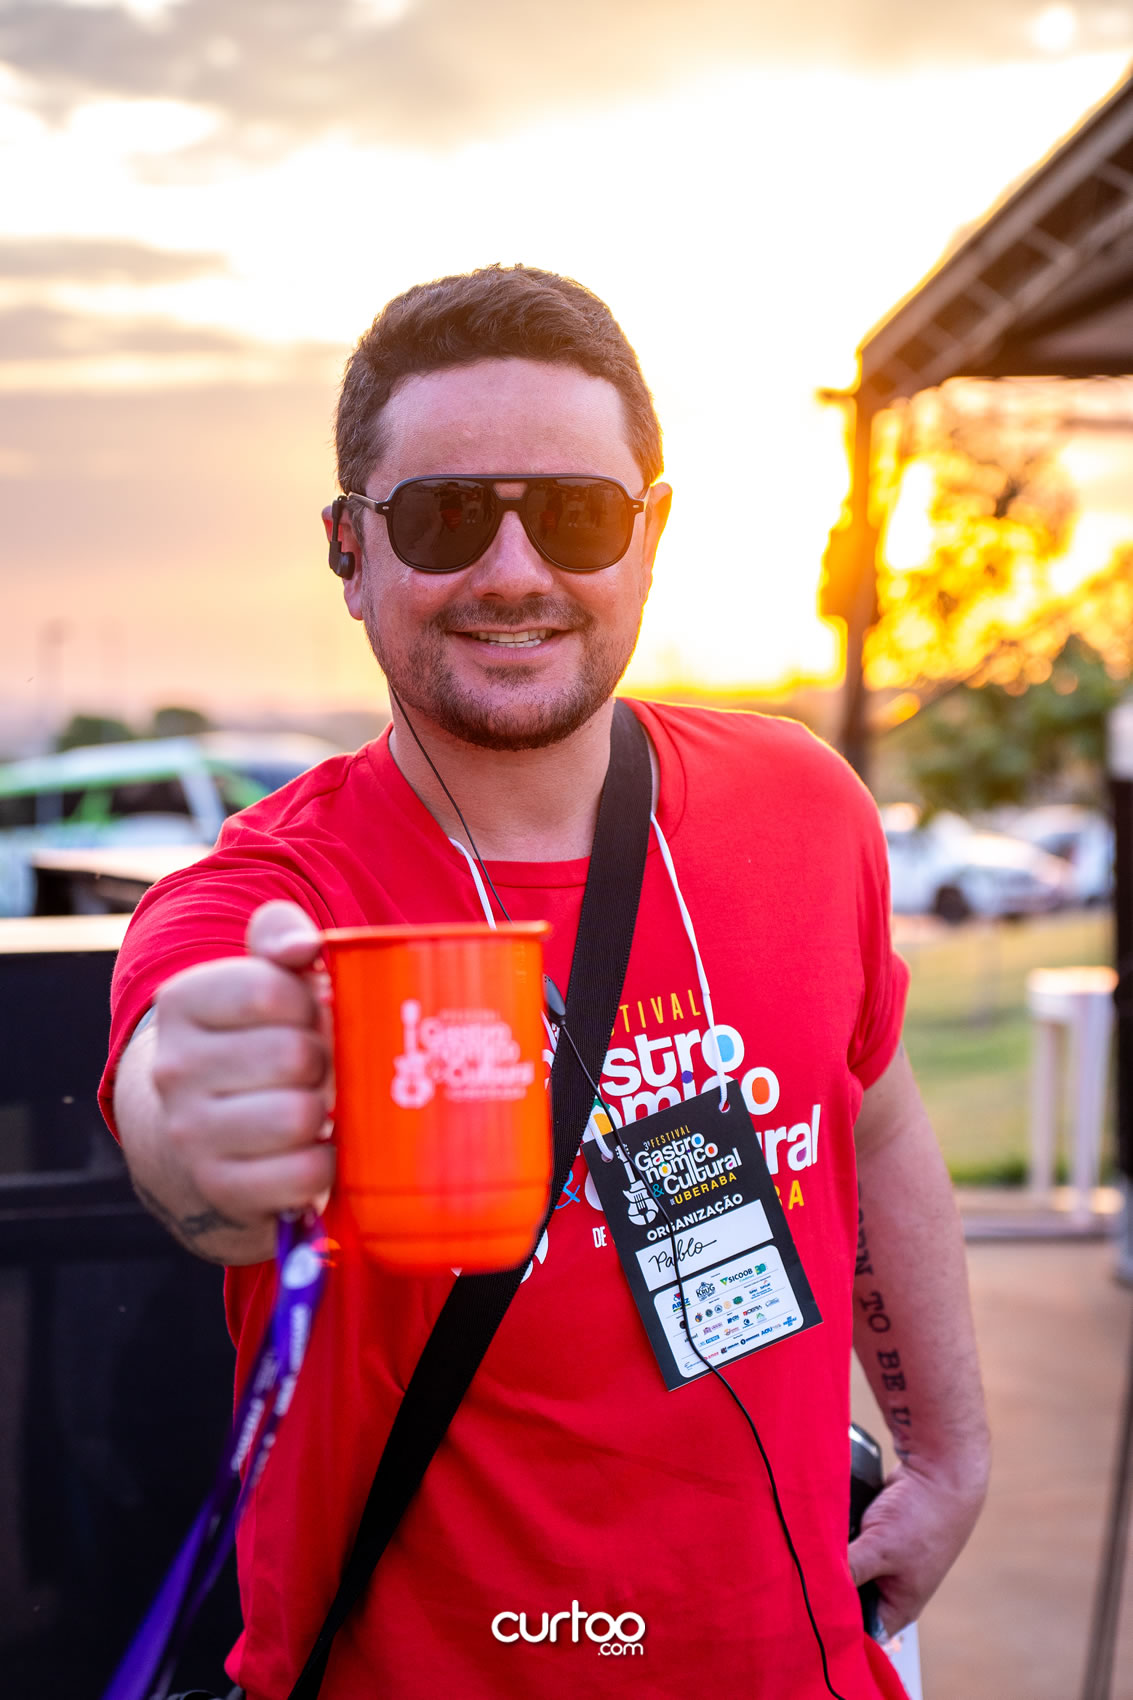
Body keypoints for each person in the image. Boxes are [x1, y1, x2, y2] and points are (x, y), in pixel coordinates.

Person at [102, 264, 989, 1700]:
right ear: (349, 551)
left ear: (651, 537)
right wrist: (202, 1125)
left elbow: (874, 1119)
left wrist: (947, 1459)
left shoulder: (803, 809)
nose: (513, 572)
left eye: (574, 514)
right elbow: (178, 1117)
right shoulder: (269, 900)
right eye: (446, 517)